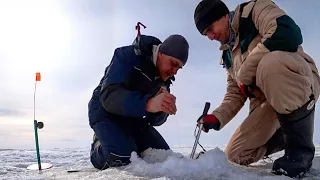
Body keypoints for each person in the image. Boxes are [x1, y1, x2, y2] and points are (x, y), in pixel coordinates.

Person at [193, 0, 320, 178]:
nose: (211, 37)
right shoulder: (228, 55)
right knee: (234, 155)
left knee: (270, 64)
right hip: (268, 104)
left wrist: (245, 71)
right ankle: (286, 134)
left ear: (223, 15)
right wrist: (216, 117)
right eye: (206, 34)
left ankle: (299, 151)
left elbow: (288, 33)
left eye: (210, 29)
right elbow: (234, 94)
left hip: (298, 82)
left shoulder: (255, 11)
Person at [87, 33, 189, 170]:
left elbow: (155, 121)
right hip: (105, 112)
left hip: (134, 119)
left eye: (179, 68)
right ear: (161, 54)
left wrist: (161, 109)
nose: (175, 71)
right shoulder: (127, 56)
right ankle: (99, 146)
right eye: (173, 63)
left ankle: (126, 142)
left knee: (163, 157)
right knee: (123, 157)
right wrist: (148, 103)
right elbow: (108, 96)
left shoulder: (164, 82)